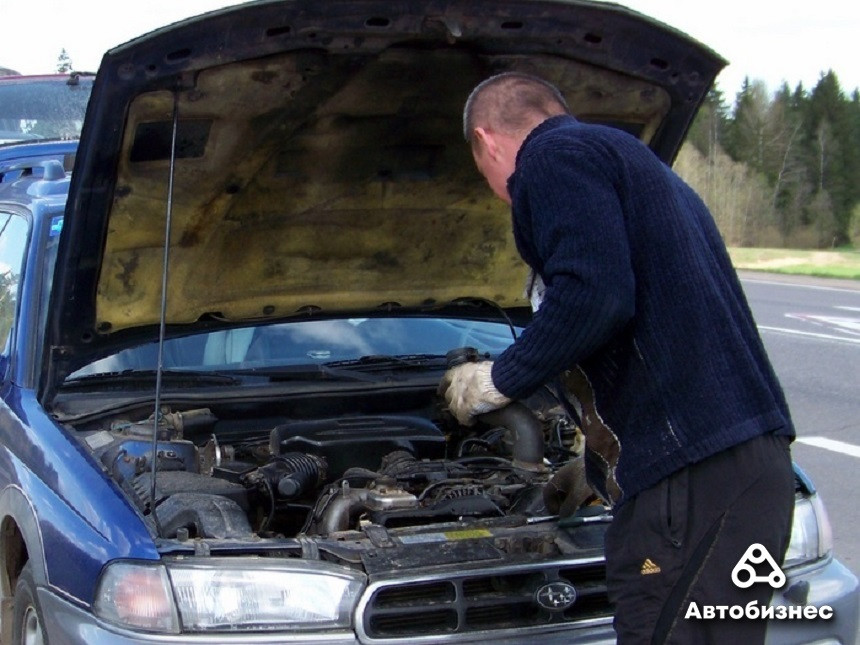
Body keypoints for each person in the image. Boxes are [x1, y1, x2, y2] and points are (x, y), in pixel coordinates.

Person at [440, 72, 796, 644]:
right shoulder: (636, 167)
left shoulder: (553, 155)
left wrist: (499, 378)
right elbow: (658, 323)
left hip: (691, 476)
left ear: (486, 140)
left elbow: (597, 294)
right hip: (741, 469)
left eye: (482, 171)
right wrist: (604, 461)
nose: (491, 184)